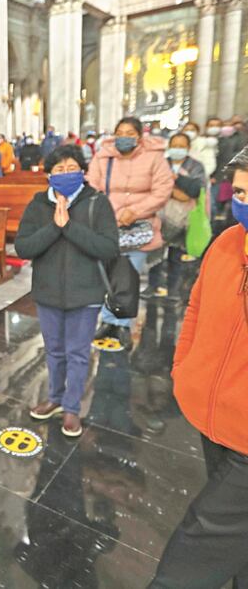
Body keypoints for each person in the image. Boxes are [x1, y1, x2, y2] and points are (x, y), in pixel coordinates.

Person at [149, 147, 248, 589]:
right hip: (214, 419)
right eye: (242, 192)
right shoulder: (228, 242)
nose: (245, 203)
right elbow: (195, 308)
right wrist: (183, 367)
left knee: (193, 553)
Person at [15, 145, 119, 437]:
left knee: (77, 353)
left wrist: (69, 226)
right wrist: (54, 227)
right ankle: (55, 398)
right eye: (58, 169)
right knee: (54, 351)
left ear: (83, 171)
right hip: (48, 292)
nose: (65, 173)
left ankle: (72, 408)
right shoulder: (38, 203)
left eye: (71, 168)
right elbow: (23, 247)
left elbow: (109, 247)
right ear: (48, 174)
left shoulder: (97, 203)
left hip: (85, 294)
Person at [87, 116, 174, 350]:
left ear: (139, 135)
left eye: (129, 132)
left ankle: (122, 324)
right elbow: (92, 186)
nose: (124, 137)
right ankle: (108, 321)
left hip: (137, 226)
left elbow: (163, 189)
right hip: (107, 226)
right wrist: (109, 214)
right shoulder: (103, 157)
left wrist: (135, 211)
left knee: (129, 276)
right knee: (109, 275)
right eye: (119, 132)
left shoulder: (154, 157)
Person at [143, 132, 207, 302]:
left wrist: (173, 182)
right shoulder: (161, 164)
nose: (177, 149)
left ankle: (173, 290)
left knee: (176, 256)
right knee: (155, 253)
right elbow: (152, 186)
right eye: (174, 145)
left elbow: (193, 192)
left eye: (181, 146)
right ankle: (153, 286)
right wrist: (173, 190)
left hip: (183, 219)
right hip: (159, 216)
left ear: (188, 148)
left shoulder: (196, 166)